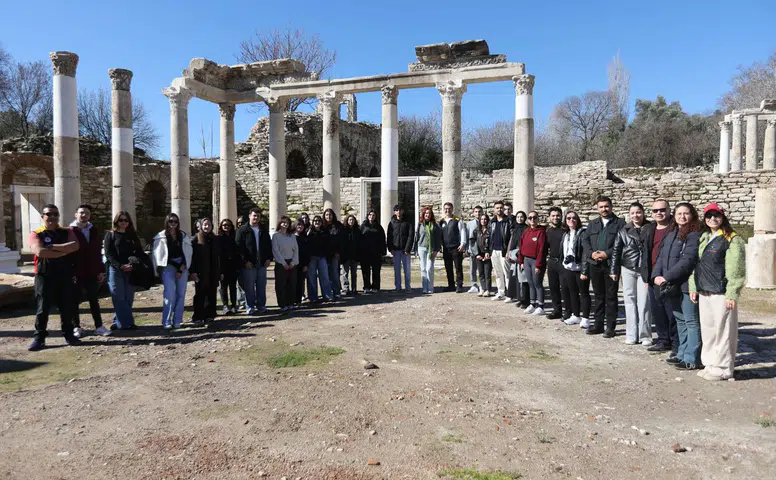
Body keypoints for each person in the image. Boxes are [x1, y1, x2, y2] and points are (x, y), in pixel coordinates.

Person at [689, 204, 746, 381]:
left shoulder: (732, 239)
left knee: (724, 330)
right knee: (708, 330)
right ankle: (710, 363)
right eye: (709, 216)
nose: (712, 219)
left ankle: (723, 368)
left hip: (721, 291)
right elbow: (697, 264)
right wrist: (693, 286)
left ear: (723, 217)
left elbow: (736, 269)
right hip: (704, 289)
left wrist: (732, 293)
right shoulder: (705, 237)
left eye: (716, 215)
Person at [653, 203, 703, 369]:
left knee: (691, 321)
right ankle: (682, 353)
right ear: (674, 216)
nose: (682, 217)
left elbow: (687, 260)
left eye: (686, 213)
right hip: (672, 285)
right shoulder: (671, 233)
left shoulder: (694, 234)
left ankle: (692, 359)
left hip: (686, 284)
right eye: (679, 213)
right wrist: (656, 275)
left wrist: (666, 277)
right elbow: (661, 257)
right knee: (680, 321)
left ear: (692, 215)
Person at [27, 204, 81, 351]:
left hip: (64, 274)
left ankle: (69, 335)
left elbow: (75, 246)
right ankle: (39, 338)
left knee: (66, 306)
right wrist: (64, 251)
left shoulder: (67, 231)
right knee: (42, 308)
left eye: (55, 214)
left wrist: (52, 247)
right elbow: (40, 252)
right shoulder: (36, 233)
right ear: (42, 216)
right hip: (45, 274)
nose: (52, 217)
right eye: (49, 214)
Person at [582, 196, 626, 337]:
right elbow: (585, 241)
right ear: (597, 208)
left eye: (606, 206)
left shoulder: (620, 223)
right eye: (601, 207)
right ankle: (598, 325)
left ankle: (610, 328)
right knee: (598, 296)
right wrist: (591, 254)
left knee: (611, 297)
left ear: (611, 207)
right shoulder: (592, 224)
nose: (604, 209)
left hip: (610, 265)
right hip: (595, 264)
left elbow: (622, 243)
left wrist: (607, 254)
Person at [610, 202, 652, 345]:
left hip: (644, 269)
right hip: (628, 268)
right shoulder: (623, 230)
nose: (636, 215)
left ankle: (645, 335)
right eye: (633, 213)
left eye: (638, 212)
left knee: (644, 302)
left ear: (643, 213)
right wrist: (613, 270)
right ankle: (631, 334)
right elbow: (616, 251)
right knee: (629, 301)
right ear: (629, 214)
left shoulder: (651, 228)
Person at [642, 199, 678, 354]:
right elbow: (645, 252)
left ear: (669, 210)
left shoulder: (675, 228)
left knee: (672, 312)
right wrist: (646, 276)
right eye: (655, 210)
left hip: (669, 276)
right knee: (657, 310)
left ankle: (676, 343)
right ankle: (663, 340)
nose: (659, 213)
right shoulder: (649, 229)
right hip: (652, 276)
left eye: (662, 210)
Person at [69, 204, 110, 337]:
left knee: (93, 299)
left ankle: (99, 326)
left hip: (92, 270)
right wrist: (70, 272)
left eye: (87, 213)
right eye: (81, 212)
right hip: (76, 271)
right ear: (76, 214)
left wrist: (101, 270)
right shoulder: (70, 231)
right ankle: (76, 327)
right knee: (74, 300)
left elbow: (97, 251)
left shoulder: (94, 230)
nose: (84, 215)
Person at [152, 213, 193, 329]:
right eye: (171, 221)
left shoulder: (183, 236)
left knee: (181, 294)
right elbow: (157, 255)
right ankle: (166, 321)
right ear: (167, 222)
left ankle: (177, 320)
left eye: (175, 221)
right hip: (168, 267)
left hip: (182, 267)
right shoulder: (161, 237)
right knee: (169, 294)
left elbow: (188, 253)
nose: (173, 223)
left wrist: (182, 267)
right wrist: (157, 271)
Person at [104, 211, 143, 331]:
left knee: (128, 297)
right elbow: (108, 254)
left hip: (130, 269)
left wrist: (133, 264)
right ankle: (128, 323)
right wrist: (120, 266)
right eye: (121, 220)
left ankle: (118, 322)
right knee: (118, 296)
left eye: (126, 220)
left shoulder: (132, 235)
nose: (123, 222)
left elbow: (139, 251)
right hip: (115, 270)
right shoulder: (110, 235)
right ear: (116, 221)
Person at [235, 208, 272, 314]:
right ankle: (250, 306)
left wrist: (269, 258)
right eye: (254, 215)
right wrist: (245, 261)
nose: (256, 218)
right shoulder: (242, 230)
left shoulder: (263, 230)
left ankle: (261, 306)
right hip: (249, 264)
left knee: (261, 286)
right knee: (249, 287)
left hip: (262, 263)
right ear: (249, 216)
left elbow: (268, 246)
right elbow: (238, 248)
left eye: (258, 216)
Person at [560, 211, 591, 327]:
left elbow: (586, 253)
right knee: (572, 292)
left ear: (577, 220)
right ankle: (576, 315)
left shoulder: (583, 233)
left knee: (584, 293)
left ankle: (586, 318)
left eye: (574, 218)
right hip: (568, 268)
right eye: (568, 218)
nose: (571, 220)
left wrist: (584, 270)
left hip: (580, 268)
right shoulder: (566, 234)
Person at [190, 218, 221, 326]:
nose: (207, 227)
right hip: (201, 272)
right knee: (200, 295)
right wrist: (193, 271)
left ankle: (209, 316)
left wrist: (220, 272)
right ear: (201, 226)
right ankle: (198, 317)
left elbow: (219, 256)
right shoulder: (196, 239)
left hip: (213, 271)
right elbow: (192, 257)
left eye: (209, 225)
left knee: (211, 294)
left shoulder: (215, 239)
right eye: (205, 225)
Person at [517, 211, 548, 315]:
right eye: (530, 218)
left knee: (537, 283)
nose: (532, 220)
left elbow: (542, 249)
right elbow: (521, 246)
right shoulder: (526, 232)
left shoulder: (541, 232)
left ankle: (541, 306)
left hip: (536, 261)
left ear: (537, 219)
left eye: (534, 218)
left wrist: (539, 265)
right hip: (526, 260)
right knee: (530, 283)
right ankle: (532, 304)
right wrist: (521, 261)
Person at [272, 216, 299, 312]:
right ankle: (282, 304)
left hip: (291, 262)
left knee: (291, 284)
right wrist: (283, 263)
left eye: (287, 222)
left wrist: (293, 262)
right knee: (281, 285)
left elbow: (296, 250)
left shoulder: (292, 236)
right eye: (283, 222)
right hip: (281, 263)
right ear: (280, 223)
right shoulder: (276, 236)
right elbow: (275, 250)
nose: (285, 224)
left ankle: (290, 303)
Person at [413, 206, 442, 294]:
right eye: (426, 213)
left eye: (429, 213)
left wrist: (436, 250)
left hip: (431, 249)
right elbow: (416, 237)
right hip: (421, 248)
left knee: (429, 268)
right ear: (423, 214)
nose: (427, 215)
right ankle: (424, 288)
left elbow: (438, 238)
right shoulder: (420, 224)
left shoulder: (435, 225)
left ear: (431, 215)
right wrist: (415, 250)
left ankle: (430, 287)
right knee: (423, 268)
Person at [488, 201, 513, 300]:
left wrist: (508, 250)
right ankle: (501, 292)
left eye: (501, 208)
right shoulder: (492, 222)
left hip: (504, 251)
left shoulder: (509, 221)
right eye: (497, 208)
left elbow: (512, 237)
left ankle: (510, 294)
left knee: (507, 273)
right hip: (494, 250)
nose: (499, 209)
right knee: (498, 273)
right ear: (494, 209)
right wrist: (488, 251)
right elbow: (489, 236)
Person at [440, 202, 466, 293]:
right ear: (444, 210)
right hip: (446, 248)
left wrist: (462, 244)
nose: (447, 210)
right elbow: (440, 235)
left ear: (452, 209)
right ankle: (451, 285)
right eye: (446, 209)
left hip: (456, 248)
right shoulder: (441, 221)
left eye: (449, 208)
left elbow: (462, 232)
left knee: (458, 267)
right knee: (448, 267)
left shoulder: (457, 220)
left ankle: (459, 285)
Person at [306, 215, 333, 302]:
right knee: (311, 278)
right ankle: (313, 297)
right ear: (313, 222)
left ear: (321, 222)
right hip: (312, 258)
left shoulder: (325, 232)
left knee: (325, 277)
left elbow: (328, 244)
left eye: (319, 221)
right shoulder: (309, 231)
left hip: (322, 257)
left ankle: (327, 295)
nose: (317, 222)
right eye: (315, 221)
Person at [387, 204, 413, 292]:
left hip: (405, 250)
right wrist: (391, 249)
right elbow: (389, 236)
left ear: (403, 211)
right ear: (394, 212)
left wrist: (407, 249)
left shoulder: (408, 222)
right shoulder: (391, 223)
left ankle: (408, 287)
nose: (399, 212)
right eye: (397, 210)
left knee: (407, 270)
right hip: (396, 250)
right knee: (397, 270)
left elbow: (410, 236)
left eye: (400, 210)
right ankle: (398, 287)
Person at [544, 207, 565, 318]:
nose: (555, 218)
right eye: (553, 216)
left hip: (563, 262)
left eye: (557, 215)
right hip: (552, 262)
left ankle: (569, 311)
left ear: (561, 216)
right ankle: (557, 310)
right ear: (549, 217)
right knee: (553, 287)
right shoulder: (547, 231)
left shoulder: (566, 230)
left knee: (566, 288)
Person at [360, 210, 386, 293]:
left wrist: (383, 252)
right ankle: (366, 286)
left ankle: (375, 287)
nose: (371, 216)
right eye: (370, 215)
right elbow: (359, 239)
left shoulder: (379, 227)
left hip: (376, 252)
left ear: (375, 217)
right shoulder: (363, 226)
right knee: (365, 271)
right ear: (368, 216)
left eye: (373, 215)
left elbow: (382, 240)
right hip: (365, 252)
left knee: (376, 271)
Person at [509, 211, 531, 308]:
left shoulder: (527, 229)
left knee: (524, 279)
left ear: (525, 218)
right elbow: (512, 241)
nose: (519, 219)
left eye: (521, 217)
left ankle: (526, 300)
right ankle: (520, 298)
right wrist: (509, 253)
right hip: (515, 255)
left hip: (522, 255)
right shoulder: (515, 228)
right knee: (517, 279)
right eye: (518, 217)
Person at [217, 218, 239, 314]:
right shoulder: (218, 238)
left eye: (228, 225)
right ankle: (225, 305)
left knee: (233, 286)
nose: (226, 227)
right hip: (223, 265)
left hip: (233, 265)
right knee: (223, 287)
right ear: (221, 226)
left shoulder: (234, 237)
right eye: (224, 225)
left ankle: (234, 305)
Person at [323, 208, 345, 299]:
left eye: (330, 214)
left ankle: (336, 291)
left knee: (335, 273)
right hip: (324, 254)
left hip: (335, 253)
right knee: (326, 274)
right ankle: (328, 292)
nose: (328, 216)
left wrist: (338, 252)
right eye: (327, 215)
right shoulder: (322, 226)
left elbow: (342, 240)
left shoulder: (338, 226)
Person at [471, 213, 492, 296]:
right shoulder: (476, 231)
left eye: (485, 219)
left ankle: (488, 289)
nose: (483, 221)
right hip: (479, 254)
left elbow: (492, 242)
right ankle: (482, 288)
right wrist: (476, 254)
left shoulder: (491, 230)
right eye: (482, 219)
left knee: (487, 273)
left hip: (487, 254)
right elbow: (472, 242)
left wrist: (488, 252)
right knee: (481, 273)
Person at [342, 214, 362, 295]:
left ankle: (354, 289)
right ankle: (346, 289)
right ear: (347, 221)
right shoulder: (344, 230)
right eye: (350, 220)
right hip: (346, 255)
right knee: (345, 273)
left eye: (353, 220)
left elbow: (360, 243)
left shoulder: (357, 231)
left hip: (354, 255)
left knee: (354, 273)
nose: (351, 221)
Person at [466, 206, 484, 293]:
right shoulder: (469, 224)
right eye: (476, 212)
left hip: (482, 249)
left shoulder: (485, 222)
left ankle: (482, 284)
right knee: (472, 268)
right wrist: (467, 248)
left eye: (479, 211)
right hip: (472, 249)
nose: (478, 213)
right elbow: (467, 236)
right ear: (473, 213)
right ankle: (473, 284)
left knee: (482, 268)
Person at [294, 220, 311, 305]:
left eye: (301, 225)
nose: (300, 227)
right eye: (298, 225)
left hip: (302, 263)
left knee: (300, 282)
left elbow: (307, 252)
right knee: (292, 283)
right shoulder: (291, 236)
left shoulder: (305, 237)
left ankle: (298, 300)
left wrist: (306, 264)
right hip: (293, 263)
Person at [235, 215, 248, 310]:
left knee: (249, 283)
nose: (240, 224)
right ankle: (242, 302)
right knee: (239, 284)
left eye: (242, 222)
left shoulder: (249, 232)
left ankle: (250, 300)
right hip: (238, 262)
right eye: (238, 223)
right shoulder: (235, 233)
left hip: (248, 261)